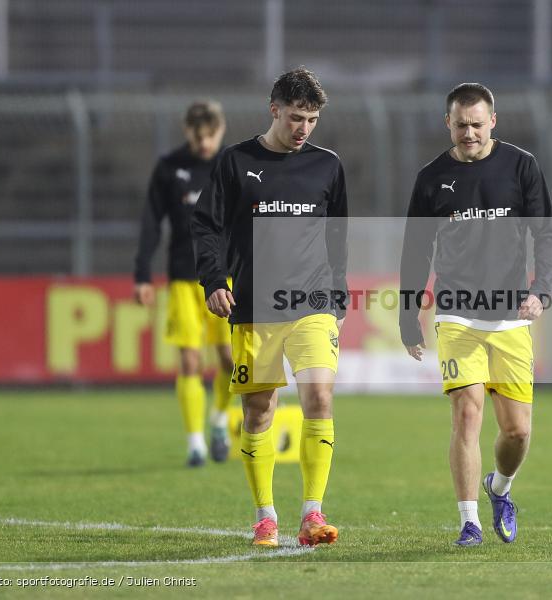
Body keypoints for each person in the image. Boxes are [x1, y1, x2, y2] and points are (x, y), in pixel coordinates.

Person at [192, 67, 348, 549]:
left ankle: (312, 513)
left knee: (319, 397)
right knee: (259, 410)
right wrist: (214, 281)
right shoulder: (236, 162)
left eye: (313, 119)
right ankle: (265, 516)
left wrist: (338, 288)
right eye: (297, 117)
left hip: (312, 304)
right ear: (274, 109)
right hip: (255, 306)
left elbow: (337, 232)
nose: (304, 129)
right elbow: (207, 227)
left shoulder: (328, 166)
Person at [399, 83, 552, 547]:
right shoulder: (432, 178)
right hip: (457, 316)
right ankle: (468, 521)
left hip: (510, 317)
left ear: (493, 121)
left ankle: (500, 488)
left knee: (517, 432)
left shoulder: (521, 166)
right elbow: (415, 251)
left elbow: (547, 235)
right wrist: (409, 316)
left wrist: (542, 291)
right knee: (467, 414)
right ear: (447, 123)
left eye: (476, 123)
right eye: (460, 124)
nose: (469, 132)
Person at [133, 100, 234, 468]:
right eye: (198, 135)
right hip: (183, 279)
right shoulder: (169, 168)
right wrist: (143, 274)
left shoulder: (231, 165)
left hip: (226, 278)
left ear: (220, 131)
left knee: (230, 359)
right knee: (190, 361)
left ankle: (220, 421)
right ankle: (195, 443)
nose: (205, 143)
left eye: (211, 135)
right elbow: (150, 223)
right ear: (187, 132)